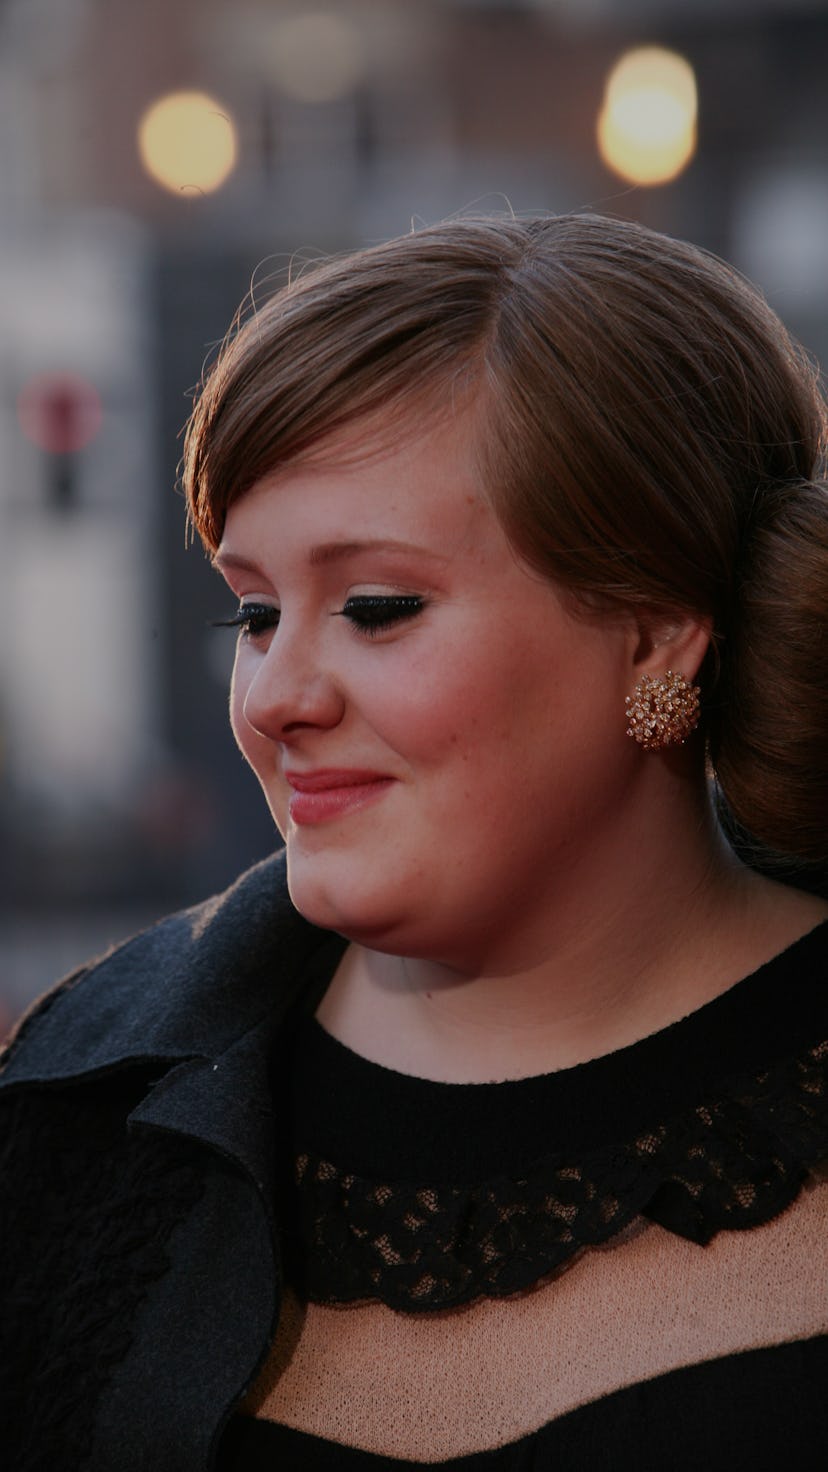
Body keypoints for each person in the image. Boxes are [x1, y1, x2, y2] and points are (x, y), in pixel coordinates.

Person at [1, 212, 827, 1471]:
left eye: (378, 608)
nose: (278, 693)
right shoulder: (78, 1105)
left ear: (661, 632)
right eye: (254, 613)